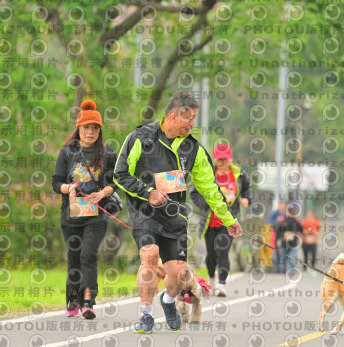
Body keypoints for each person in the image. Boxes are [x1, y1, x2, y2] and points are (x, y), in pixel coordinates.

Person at [114, 91, 242, 333]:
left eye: (195, 118)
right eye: (189, 118)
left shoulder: (194, 149)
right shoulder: (140, 138)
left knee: (180, 275)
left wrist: (229, 220)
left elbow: (211, 189)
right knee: (149, 256)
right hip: (145, 212)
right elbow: (120, 175)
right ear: (173, 116)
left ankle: (168, 300)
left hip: (174, 218)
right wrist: (148, 192)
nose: (193, 124)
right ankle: (146, 315)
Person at [52, 100, 118, 319]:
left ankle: (88, 301)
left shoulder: (108, 154)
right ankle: (73, 298)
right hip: (71, 214)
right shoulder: (67, 152)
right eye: (86, 128)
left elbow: (115, 182)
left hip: (96, 214)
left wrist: (102, 193)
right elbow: (56, 182)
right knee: (74, 257)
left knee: (88, 254)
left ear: (100, 131)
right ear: (78, 129)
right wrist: (68, 188)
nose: (90, 132)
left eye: (95, 128)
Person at [190, 143, 251, 297]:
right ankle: (212, 279)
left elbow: (247, 190)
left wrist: (246, 199)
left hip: (229, 222)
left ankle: (222, 284)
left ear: (230, 159)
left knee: (222, 251)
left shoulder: (240, 175)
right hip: (210, 222)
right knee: (211, 255)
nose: (222, 162)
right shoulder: (207, 173)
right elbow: (194, 194)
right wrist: (210, 201)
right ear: (214, 159)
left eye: (225, 159)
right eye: (219, 159)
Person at [275, 204, 304, 276]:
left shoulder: (297, 222)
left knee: (292, 260)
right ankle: (282, 275)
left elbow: (301, 232)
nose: (290, 213)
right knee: (282, 261)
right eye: (289, 211)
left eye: (292, 211)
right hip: (283, 244)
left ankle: (291, 274)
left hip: (293, 244)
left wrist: (294, 234)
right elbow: (277, 232)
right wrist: (280, 239)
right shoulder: (281, 221)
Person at [268, 201, 287, 273]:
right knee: (275, 256)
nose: (282, 207)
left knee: (283, 255)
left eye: (283, 205)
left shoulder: (287, 214)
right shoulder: (276, 213)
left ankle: (283, 271)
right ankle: (278, 270)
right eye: (281, 205)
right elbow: (270, 220)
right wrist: (276, 222)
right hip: (276, 235)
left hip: (284, 237)